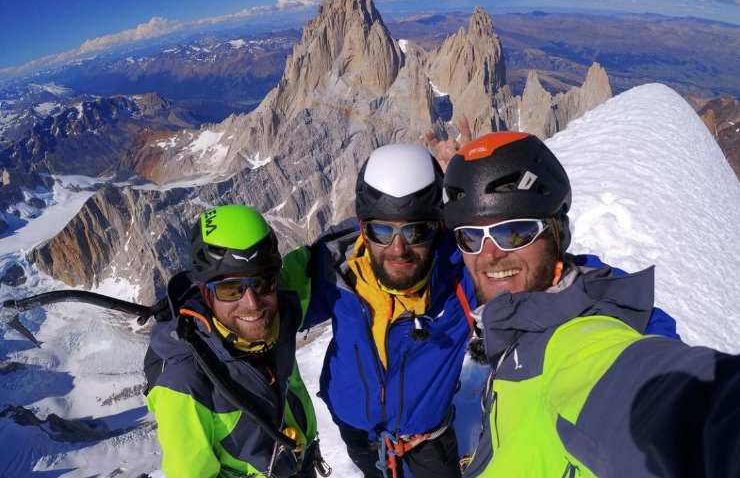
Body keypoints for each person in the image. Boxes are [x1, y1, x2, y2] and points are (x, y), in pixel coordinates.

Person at [442, 132, 740, 477]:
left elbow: (666, 403)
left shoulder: (579, 340)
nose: (490, 253)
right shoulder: (520, 327)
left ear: (558, 234)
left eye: (515, 231)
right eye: (471, 236)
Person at [286, 143, 473, 478]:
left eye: (416, 231)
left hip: (427, 438)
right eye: (381, 231)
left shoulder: (462, 275)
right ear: (363, 228)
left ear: (438, 227)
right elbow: (263, 301)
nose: (398, 249)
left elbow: (527, 272)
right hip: (357, 432)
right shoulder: (334, 270)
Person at [144, 205, 324, 478]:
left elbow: (321, 260)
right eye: (230, 290)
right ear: (205, 293)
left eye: (262, 283)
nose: (252, 304)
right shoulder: (183, 383)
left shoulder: (279, 303)